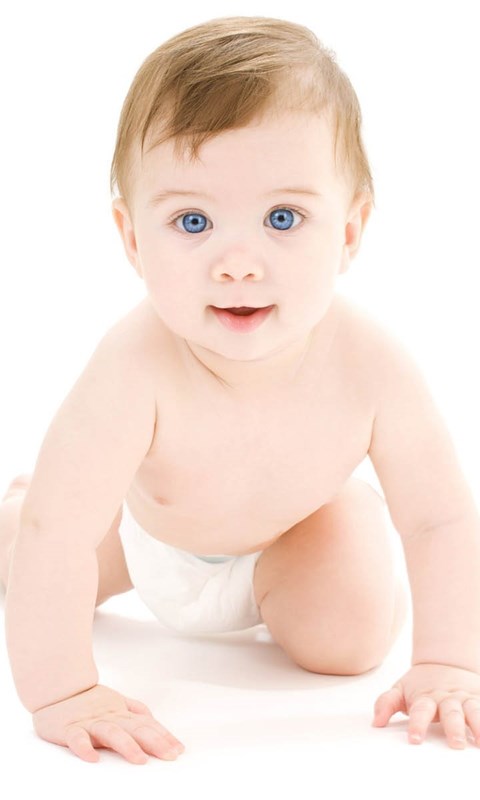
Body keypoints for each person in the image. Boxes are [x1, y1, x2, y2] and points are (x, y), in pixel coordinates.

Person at [1, 15, 480, 765]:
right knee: (33, 544)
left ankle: (323, 552)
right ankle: (23, 502)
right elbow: (58, 538)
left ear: (349, 231)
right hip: (143, 545)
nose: (237, 263)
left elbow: (439, 519)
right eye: (192, 221)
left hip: (291, 546)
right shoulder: (134, 367)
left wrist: (450, 662)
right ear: (132, 239)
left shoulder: (372, 364)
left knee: (350, 643)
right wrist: (63, 692)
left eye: (282, 218)